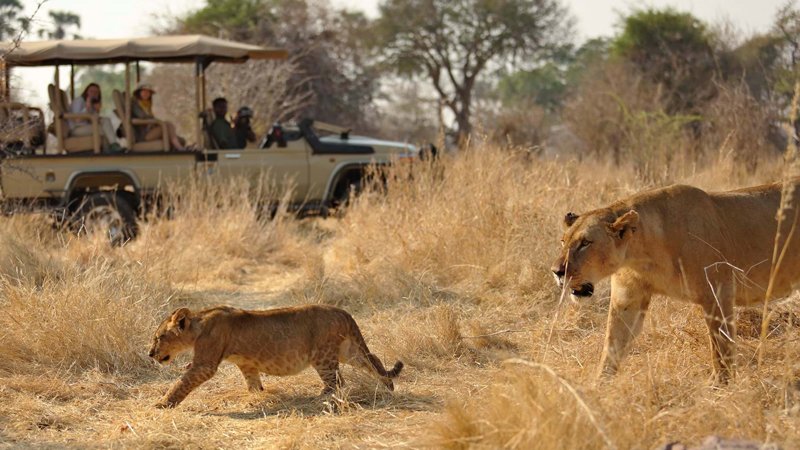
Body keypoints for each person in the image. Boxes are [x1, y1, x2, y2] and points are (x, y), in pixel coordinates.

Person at [131, 83, 187, 151]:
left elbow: (150, 118)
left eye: (148, 92)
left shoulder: (147, 104)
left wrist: (155, 122)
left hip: (150, 130)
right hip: (143, 134)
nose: (146, 93)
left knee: (171, 127)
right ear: (139, 92)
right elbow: (142, 117)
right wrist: (155, 121)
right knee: (166, 125)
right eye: (144, 91)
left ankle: (177, 145)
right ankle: (178, 146)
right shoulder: (135, 104)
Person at [69, 83, 122, 153]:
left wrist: (96, 111)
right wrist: (87, 107)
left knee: (106, 120)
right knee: (104, 130)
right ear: (86, 92)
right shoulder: (79, 100)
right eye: (91, 91)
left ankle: (114, 145)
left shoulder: (92, 104)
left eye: (96, 92)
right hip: (77, 128)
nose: (93, 94)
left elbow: (92, 119)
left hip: (88, 126)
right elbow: (77, 119)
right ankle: (108, 151)